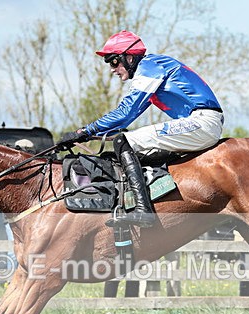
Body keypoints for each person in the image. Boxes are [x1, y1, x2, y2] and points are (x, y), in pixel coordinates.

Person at [58, 30, 224, 227]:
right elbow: (127, 118)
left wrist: (85, 131)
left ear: (129, 57)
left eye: (113, 61)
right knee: (127, 141)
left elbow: (125, 112)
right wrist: (89, 134)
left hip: (203, 121)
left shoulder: (149, 66)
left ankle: (143, 210)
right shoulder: (152, 69)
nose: (112, 69)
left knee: (124, 141)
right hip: (201, 121)